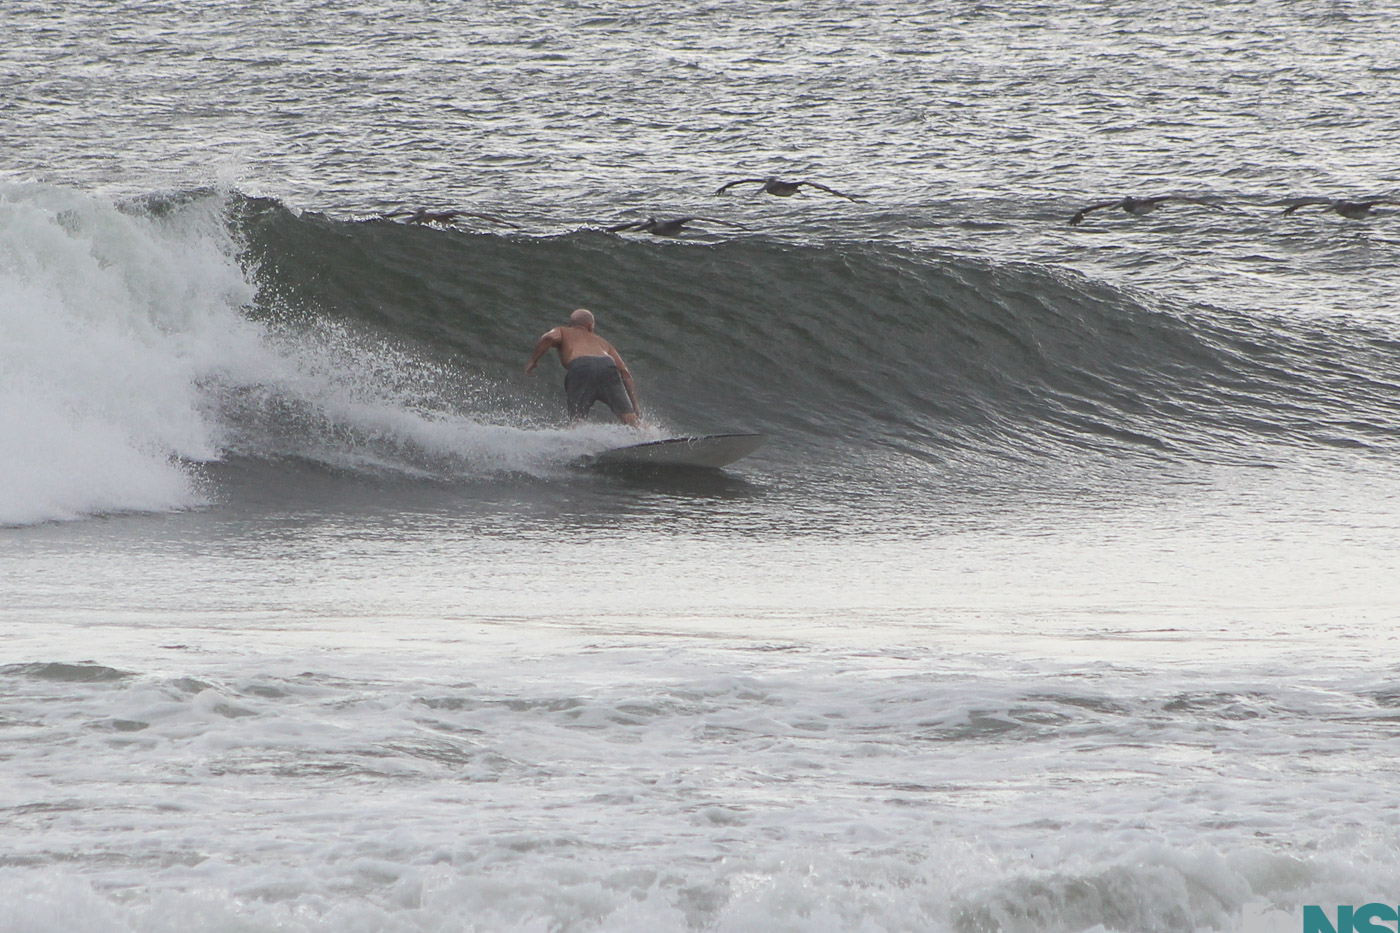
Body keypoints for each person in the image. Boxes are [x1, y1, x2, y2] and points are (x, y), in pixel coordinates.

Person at [525, 308, 640, 426]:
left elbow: (547, 338)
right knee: (629, 418)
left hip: (581, 366)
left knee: (577, 420)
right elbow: (625, 372)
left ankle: (580, 439)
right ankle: (646, 434)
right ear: (590, 326)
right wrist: (635, 406)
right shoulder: (603, 342)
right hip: (607, 365)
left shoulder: (562, 331)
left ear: (570, 324)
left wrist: (533, 361)